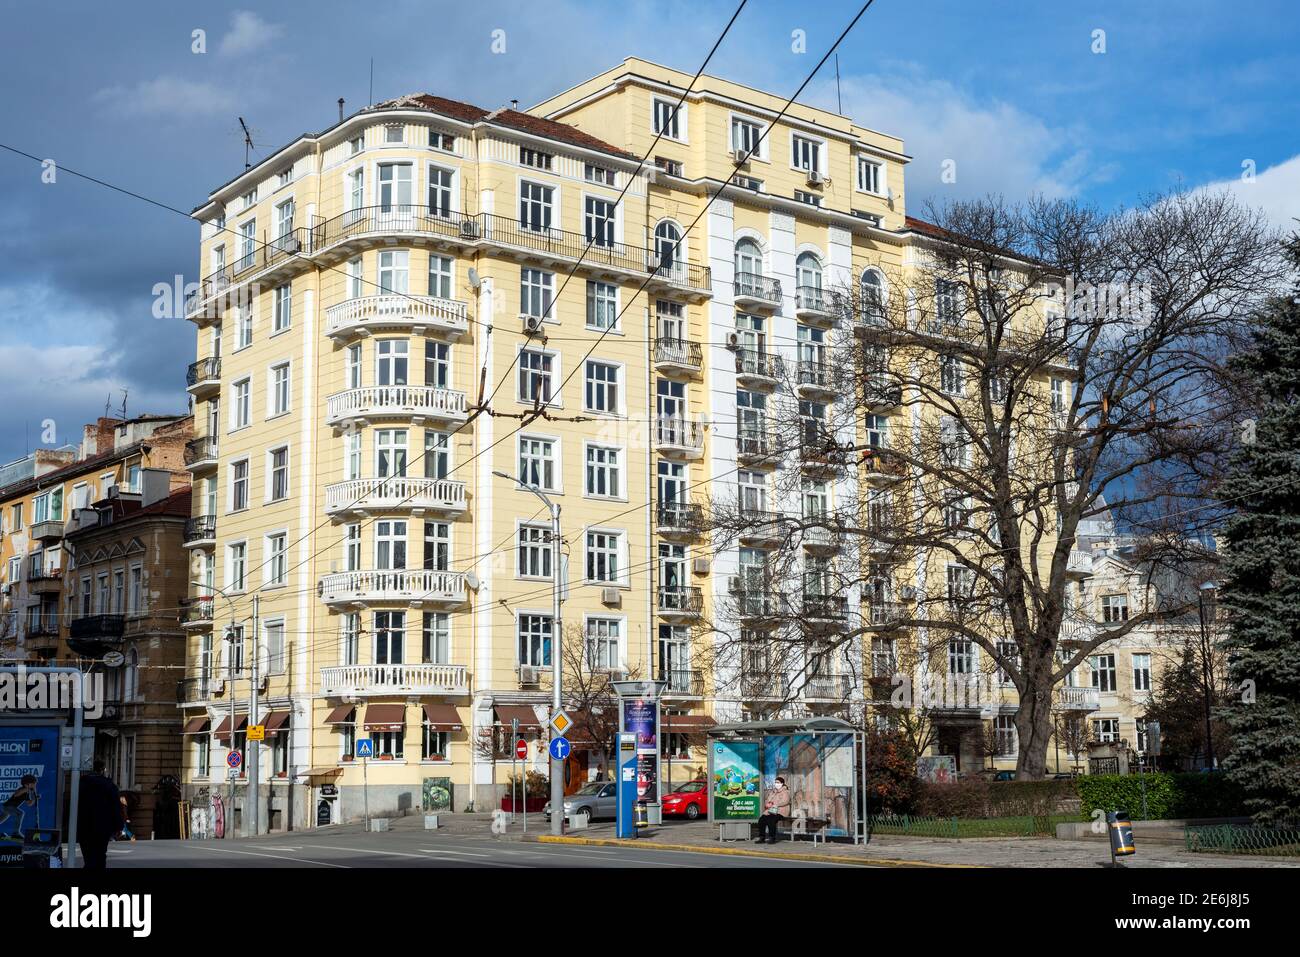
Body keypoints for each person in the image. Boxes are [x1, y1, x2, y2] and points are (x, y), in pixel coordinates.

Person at [77, 760, 124, 870]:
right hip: (103, 827)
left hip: (83, 825)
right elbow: (116, 807)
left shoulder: (80, 784)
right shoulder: (109, 785)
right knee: (100, 856)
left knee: (88, 857)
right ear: (102, 770)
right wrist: (118, 826)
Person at [0, 774, 38, 839]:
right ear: (26, 784)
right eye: (33, 784)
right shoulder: (23, 789)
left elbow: (29, 804)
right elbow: (16, 794)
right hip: (7, 807)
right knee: (20, 813)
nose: (35, 785)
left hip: (7, 807)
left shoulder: (27, 793)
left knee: (2, 818)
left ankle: (16, 833)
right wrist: (27, 789)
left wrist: (34, 798)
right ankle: (16, 833)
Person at [757, 776, 790, 844]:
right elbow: (768, 799)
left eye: (778, 782)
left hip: (781, 811)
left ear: (782, 783)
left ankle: (772, 837)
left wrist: (774, 804)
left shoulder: (785, 792)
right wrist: (767, 804)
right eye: (775, 782)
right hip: (771, 810)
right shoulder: (773, 792)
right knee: (761, 819)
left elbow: (785, 801)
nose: (776, 784)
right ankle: (762, 837)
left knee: (771, 820)